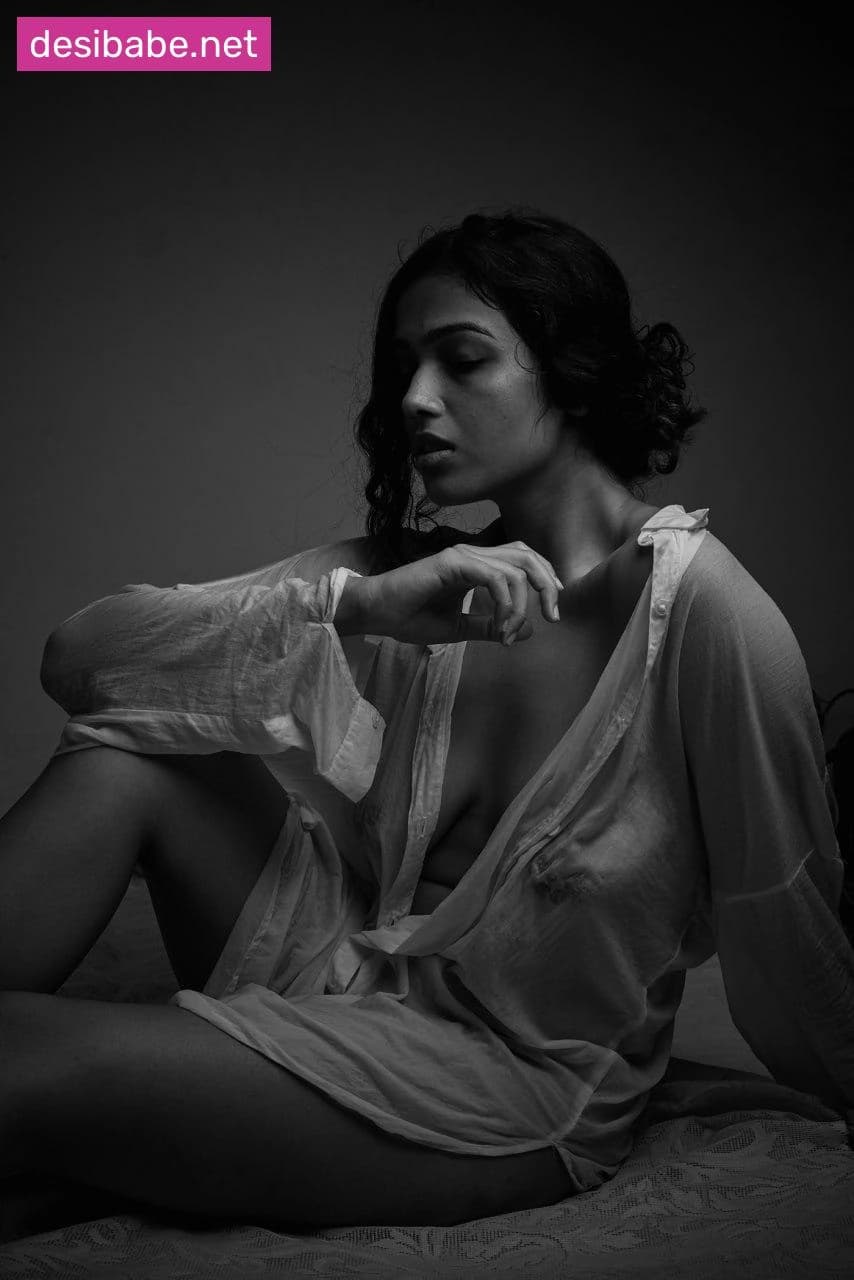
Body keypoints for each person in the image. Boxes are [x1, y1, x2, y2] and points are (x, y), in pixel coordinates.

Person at [1, 209, 852, 1240]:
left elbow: (785, 909)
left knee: (17, 1053)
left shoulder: (702, 614)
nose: (413, 399)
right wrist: (358, 606)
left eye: (462, 359)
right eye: (403, 366)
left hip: (501, 1081)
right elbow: (82, 660)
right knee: (120, 763)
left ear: (573, 374)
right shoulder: (421, 577)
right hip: (341, 972)